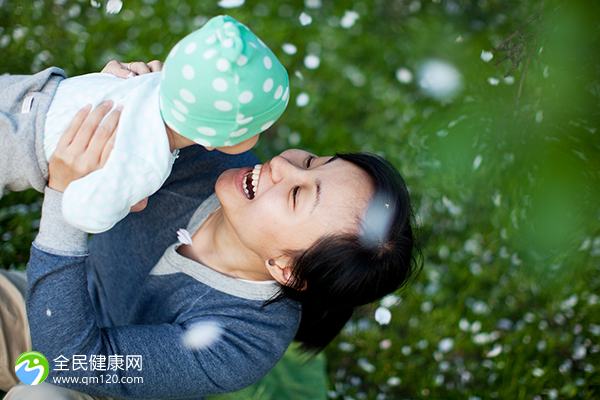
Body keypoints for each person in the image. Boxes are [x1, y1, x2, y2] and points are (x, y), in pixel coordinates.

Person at [2, 62, 421, 399]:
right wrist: (127, 98)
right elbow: (93, 133)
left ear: (286, 270)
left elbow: (69, 361)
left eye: (297, 194)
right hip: (59, 302)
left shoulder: (241, 344)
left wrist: (65, 205)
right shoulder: (205, 158)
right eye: (312, 161)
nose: (281, 165)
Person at [0, 14, 289, 234]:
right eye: (258, 129)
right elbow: (79, 213)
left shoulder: (150, 79)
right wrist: (120, 205)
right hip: (16, 151)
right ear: (217, 140)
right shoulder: (146, 164)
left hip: (26, 93)